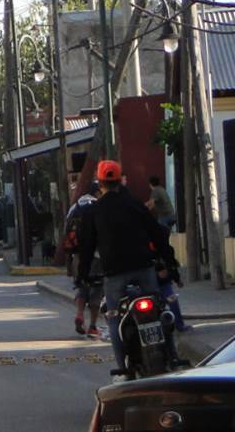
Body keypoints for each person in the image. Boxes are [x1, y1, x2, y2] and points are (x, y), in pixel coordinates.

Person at [78, 160, 176, 381]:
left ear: (100, 182)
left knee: (113, 318)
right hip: (144, 267)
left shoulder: (94, 211)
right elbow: (157, 234)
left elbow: (86, 248)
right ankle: (173, 355)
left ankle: (122, 369)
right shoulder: (135, 204)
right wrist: (170, 263)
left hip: (115, 274)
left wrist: (83, 276)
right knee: (158, 309)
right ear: (120, 180)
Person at [63, 182, 103, 338]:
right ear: (97, 192)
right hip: (97, 255)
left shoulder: (75, 207)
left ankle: (80, 314)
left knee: (82, 285)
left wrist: (69, 259)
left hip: (78, 255)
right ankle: (92, 326)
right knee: (97, 289)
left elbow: (67, 232)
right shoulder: (99, 206)